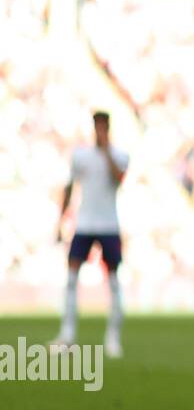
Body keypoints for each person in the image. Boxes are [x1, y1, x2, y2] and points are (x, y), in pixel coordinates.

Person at [55, 110, 129, 358]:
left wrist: (106, 150)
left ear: (108, 127)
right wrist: (61, 220)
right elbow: (70, 186)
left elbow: (119, 178)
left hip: (109, 225)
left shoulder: (118, 155)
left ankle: (113, 338)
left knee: (114, 281)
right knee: (72, 278)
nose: (99, 131)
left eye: (103, 126)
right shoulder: (81, 156)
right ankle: (67, 334)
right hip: (85, 224)